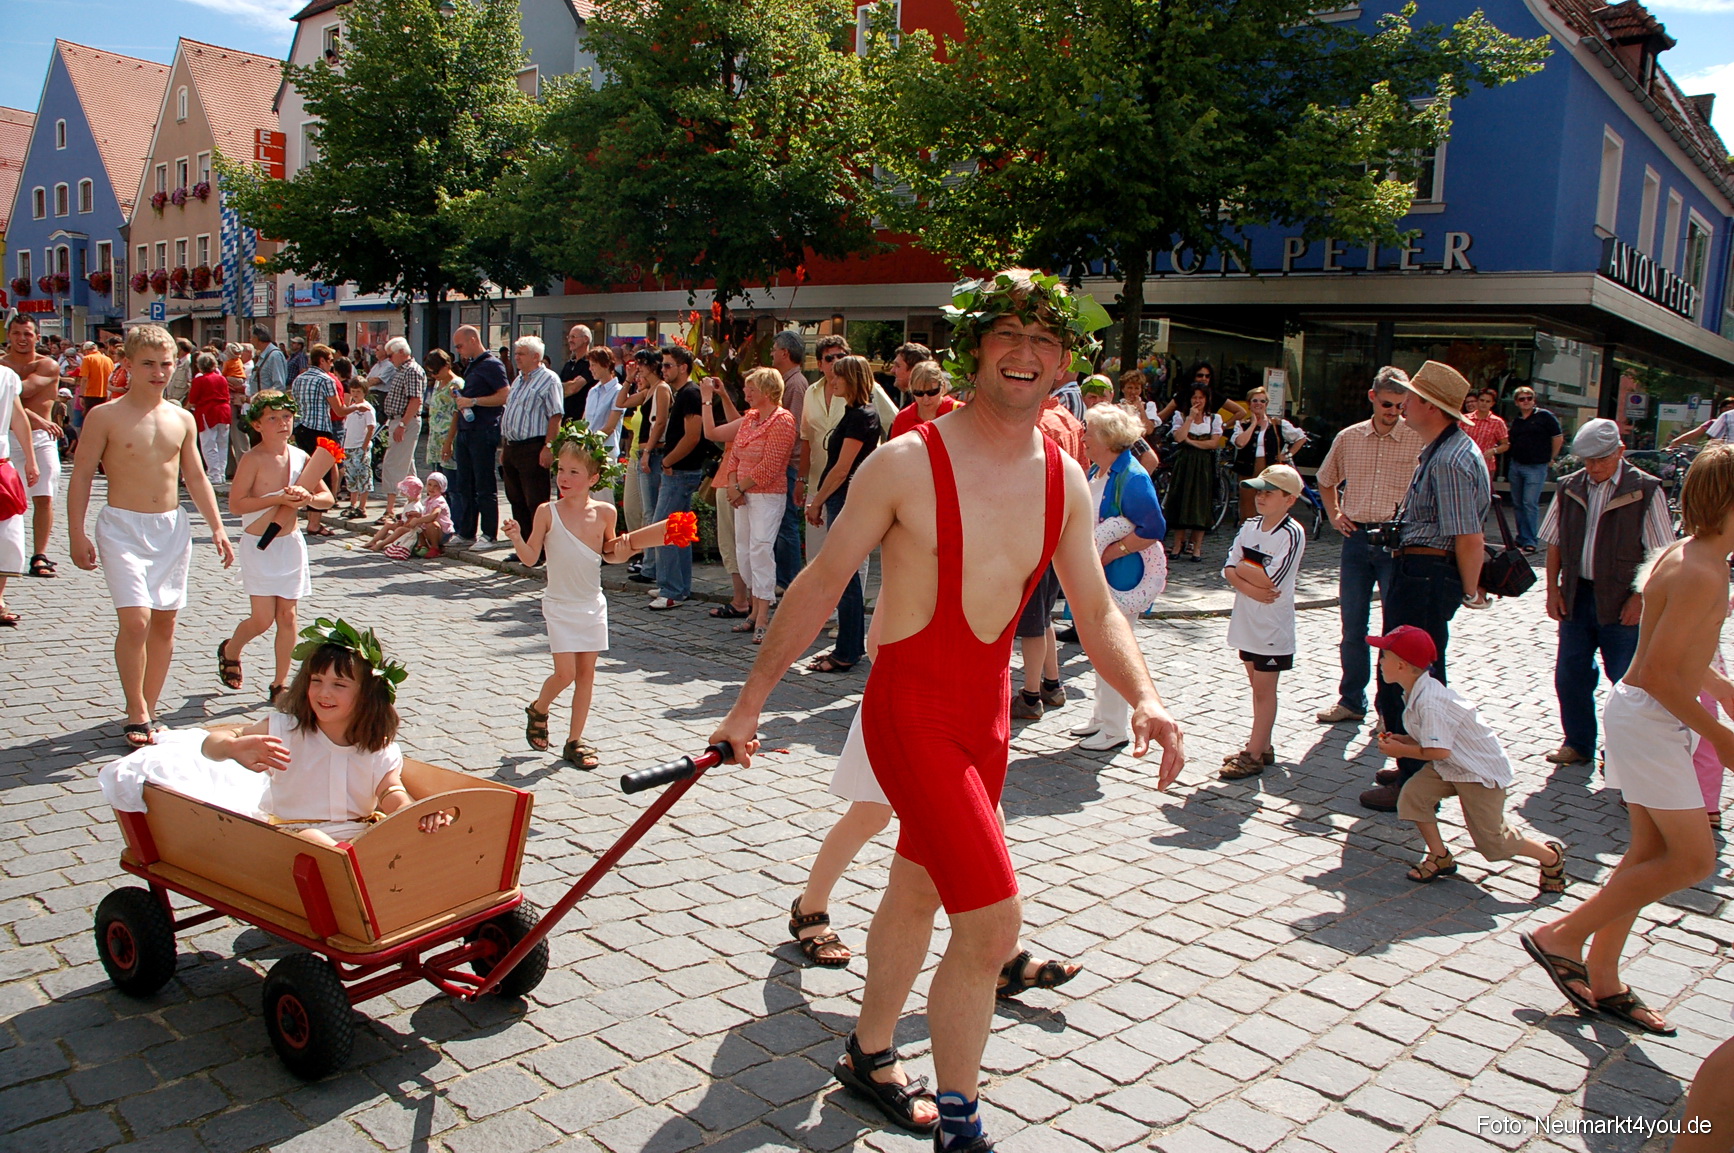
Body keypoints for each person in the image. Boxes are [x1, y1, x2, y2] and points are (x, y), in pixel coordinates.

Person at [709, 269, 1185, 1150]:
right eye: (1008, 334)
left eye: (1045, 342)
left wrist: (1145, 697)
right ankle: (961, 1117)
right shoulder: (906, 462)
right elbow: (820, 584)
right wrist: (747, 707)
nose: (1026, 354)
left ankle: (869, 1049)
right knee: (994, 917)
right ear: (976, 349)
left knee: (919, 883)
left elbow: (1096, 605)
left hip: (989, 715)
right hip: (911, 708)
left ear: (1063, 364)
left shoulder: (1066, 481)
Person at [1520, 445, 1734, 1039]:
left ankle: (1606, 978)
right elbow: (1662, 673)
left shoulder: (1690, 555)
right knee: (1694, 858)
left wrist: (1722, 689)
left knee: (1646, 856)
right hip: (1653, 720)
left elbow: (1668, 650)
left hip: (1647, 716)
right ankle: (1560, 936)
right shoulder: (1701, 569)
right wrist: (1723, 734)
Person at [66, 326, 236, 747]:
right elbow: (82, 475)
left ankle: (149, 704)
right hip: (122, 527)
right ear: (127, 365)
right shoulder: (104, 415)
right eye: (148, 364)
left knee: (164, 623)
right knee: (136, 619)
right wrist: (75, 533)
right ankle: (136, 709)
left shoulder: (181, 418)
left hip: (169, 528)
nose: (159, 372)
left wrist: (217, 526)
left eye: (165, 364)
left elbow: (194, 475)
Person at [1358, 361, 1490, 812]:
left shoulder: (1452, 458)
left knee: (1411, 674)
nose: (1403, 405)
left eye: (1410, 398)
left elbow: (1468, 535)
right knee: (1400, 669)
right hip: (1419, 571)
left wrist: (1471, 591)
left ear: (1431, 407)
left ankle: (1418, 781)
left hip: (1428, 574)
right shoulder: (1442, 449)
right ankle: (1410, 766)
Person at [202, 620, 451, 846]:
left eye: (339, 685)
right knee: (314, 839)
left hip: (359, 838)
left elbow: (391, 790)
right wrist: (231, 748)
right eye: (316, 681)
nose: (324, 694)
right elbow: (211, 744)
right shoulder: (284, 729)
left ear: (366, 694)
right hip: (293, 838)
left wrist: (413, 812)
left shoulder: (376, 746)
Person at [1370, 625, 1568, 891]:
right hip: (1451, 765)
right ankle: (1440, 857)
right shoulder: (1417, 691)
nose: (1380, 662)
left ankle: (1550, 856)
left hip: (1478, 772)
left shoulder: (1429, 700)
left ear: (1403, 666)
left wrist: (1401, 750)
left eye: (1385, 656)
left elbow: (1438, 750)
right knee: (1413, 796)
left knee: (1494, 843)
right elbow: (1434, 742)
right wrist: (1405, 741)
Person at [1537, 418, 1673, 768]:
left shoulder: (1645, 489)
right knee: (1571, 673)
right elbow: (1553, 543)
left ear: (1620, 452)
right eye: (1587, 460)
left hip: (1621, 596)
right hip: (1578, 593)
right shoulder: (1570, 487)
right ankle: (1578, 742)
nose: (1593, 468)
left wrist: (1640, 598)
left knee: (1626, 681)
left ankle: (1622, 750)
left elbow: (1661, 555)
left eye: (1601, 460)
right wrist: (1553, 589)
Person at [504, 428, 628, 768]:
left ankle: (574, 741)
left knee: (586, 674)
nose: (564, 478)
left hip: (591, 603)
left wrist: (627, 548)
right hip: (559, 604)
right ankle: (539, 708)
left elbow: (610, 554)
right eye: (561, 470)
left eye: (574, 472)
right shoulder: (547, 511)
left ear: (593, 477)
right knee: (565, 673)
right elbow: (531, 557)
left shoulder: (605, 513)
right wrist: (516, 537)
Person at [1313, 368, 1425, 725]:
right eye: (1389, 404)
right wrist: (1334, 514)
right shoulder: (1350, 437)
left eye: (1401, 405)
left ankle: (1391, 708)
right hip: (1358, 539)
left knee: (1395, 629)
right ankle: (1351, 699)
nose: (1394, 412)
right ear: (1373, 397)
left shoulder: (1417, 438)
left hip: (1398, 541)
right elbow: (1325, 479)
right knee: (1353, 627)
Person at [219, 391, 333, 705]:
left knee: (288, 616)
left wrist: (308, 499)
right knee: (262, 619)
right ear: (257, 424)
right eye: (272, 418)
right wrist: (277, 499)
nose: (282, 424)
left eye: (286, 417)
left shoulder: (300, 456)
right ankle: (231, 649)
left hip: (290, 545)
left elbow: (327, 498)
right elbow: (236, 504)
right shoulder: (252, 459)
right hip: (259, 545)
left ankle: (280, 684)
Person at [1069, 403, 1167, 752]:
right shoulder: (1102, 469)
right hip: (1100, 574)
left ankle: (1114, 729)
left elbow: (1153, 528)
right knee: (1097, 650)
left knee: (1112, 648)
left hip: (1123, 578)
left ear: (1108, 439)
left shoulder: (1133, 477)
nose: (1084, 439)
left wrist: (1112, 552)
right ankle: (1100, 719)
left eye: (1090, 433)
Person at [1219, 464, 1307, 779]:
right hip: (1247, 619)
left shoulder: (1291, 532)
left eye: (1270, 492)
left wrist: (1244, 571)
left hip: (1272, 625)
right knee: (1255, 684)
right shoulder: (1250, 526)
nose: (1261, 497)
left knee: (1264, 690)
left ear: (1289, 499)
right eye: (1260, 491)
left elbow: (1273, 580)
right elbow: (1229, 566)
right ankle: (1263, 744)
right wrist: (1244, 580)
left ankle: (1254, 753)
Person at [1011, 377, 1089, 720]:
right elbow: (1082, 471)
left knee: (1032, 618)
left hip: (1036, 530)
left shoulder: (1037, 424)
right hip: (1060, 529)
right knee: (1042, 614)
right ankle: (1052, 684)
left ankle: (1030, 696)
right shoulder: (1070, 420)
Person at [704, 367, 797, 643]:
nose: (746, 393)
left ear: (767, 391)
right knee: (743, 551)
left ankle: (764, 616)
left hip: (766, 495)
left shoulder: (783, 420)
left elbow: (770, 466)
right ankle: (754, 612)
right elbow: (734, 455)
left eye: (751, 388)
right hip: (742, 494)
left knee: (759, 549)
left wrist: (739, 487)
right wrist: (734, 486)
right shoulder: (751, 418)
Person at [803, 355, 882, 672]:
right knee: (843, 576)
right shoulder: (854, 413)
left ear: (851, 379)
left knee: (846, 577)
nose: (831, 382)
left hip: (845, 498)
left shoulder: (861, 416)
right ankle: (847, 647)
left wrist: (817, 500)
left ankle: (847, 652)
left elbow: (841, 470)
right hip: (842, 498)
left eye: (837, 377)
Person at [647, 346, 710, 610]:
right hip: (680, 470)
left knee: (665, 530)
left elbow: (693, 435)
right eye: (663, 366)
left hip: (681, 471)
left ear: (683, 367)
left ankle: (672, 589)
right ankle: (676, 586)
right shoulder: (683, 393)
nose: (664, 370)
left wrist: (668, 460)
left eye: (669, 365)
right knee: (679, 532)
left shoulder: (690, 393)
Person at [3, 316, 64, 578]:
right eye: (17, 333)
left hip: (40, 439)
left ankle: (39, 555)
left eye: (27, 333)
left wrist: (33, 417)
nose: (22, 338)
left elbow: (22, 391)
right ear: (9, 336)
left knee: (44, 497)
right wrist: (33, 414)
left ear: (37, 337)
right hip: (6, 439)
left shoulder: (47, 365)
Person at [450, 325, 511, 547]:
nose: (458, 351)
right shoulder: (472, 366)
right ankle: (466, 531)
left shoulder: (492, 364)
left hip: (483, 429)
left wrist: (473, 401)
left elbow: (504, 394)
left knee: (484, 483)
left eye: (460, 345)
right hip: (467, 429)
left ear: (473, 340)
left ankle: (489, 533)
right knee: (464, 483)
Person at [500, 336, 565, 542]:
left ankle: (541, 547)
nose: (516, 357)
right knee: (516, 499)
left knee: (535, 501)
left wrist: (549, 447)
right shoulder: (518, 379)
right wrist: (504, 448)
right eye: (516, 353)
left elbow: (555, 415)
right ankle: (524, 546)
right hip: (512, 447)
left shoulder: (549, 379)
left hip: (533, 447)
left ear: (536, 356)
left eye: (521, 354)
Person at [288, 344, 343, 538]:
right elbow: (338, 410)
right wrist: (356, 408)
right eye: (330, 361)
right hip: (320, 430)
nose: (331, 364)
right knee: (323, 475)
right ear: (322, 360)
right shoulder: (325, 380)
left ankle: (299, 514)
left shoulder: (299, 379)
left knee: (306, 473)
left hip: (302, 428)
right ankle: (314, 523)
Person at [1163, 383, 1223, 561]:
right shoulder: (1180, 416)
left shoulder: (1214, 419)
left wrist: (1192, 442)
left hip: (1204, 465)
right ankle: (1177, 545)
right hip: (1185, 463)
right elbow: (1179, 437)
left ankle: (1196, 547)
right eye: (1194, 397)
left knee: (1200, 504)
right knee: (1181, 501)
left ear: (1206, 400)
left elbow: (1213, 444)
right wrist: (1190, 419)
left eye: (1201, 398)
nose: (1198, 401)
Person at [0, 365, 41, 627]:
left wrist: (30, 459)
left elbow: (18, 418)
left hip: (1, 462)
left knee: (5, 537)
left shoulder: (6, 376)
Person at [770, 330, 810, 592]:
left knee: (786, 523)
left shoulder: (794, 384)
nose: (771, 353)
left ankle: (789, 580)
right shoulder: (789, 382)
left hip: (789, 463)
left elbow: (793, 430)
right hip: (785, 463)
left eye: (774, 349)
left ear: (785, 353)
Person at [1228, 387, 1306, 522]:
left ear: (1266, 404)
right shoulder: (1242, 425)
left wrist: (1287, 455)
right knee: (1248, 507)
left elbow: (1301, 437)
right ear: (1249, 403)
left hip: (1270, 470)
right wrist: (1253, 424)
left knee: (1270, 504)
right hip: (1248, 469)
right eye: (1255, 401)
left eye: (1262, 401)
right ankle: (1247, 536)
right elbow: (1240, 443)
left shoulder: (1278, 424)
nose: (1259, 404)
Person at [1505, 384, 1562, 551]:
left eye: (1529, 398)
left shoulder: (1545, 416)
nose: (1526, 401)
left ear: (1534, 400)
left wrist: (1551, 457)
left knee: (1529, 503)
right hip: (1516, 465)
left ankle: (1530, 540)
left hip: (1536, 467)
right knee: (1517, 503)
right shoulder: (1517, 421)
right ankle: (1521, 537)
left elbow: (1557, 438)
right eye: (1522, 399)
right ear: (1516, 402)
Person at [374, 339, 424, 520]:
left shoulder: (411, 370)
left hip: (405, 421)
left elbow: (415, 399)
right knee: (406, 465)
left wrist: (402, 424)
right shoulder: (402, 370)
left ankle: (389, 510)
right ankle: (413, 505)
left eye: (391, 355)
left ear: (401, 352)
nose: (389, 359)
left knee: (392, 464)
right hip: (398, 420)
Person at [581, 346, 626, 506]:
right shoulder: (593, 391)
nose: (590, 369)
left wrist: (590, 443)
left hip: (604, 453)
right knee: (586, 501)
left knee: (602, 501)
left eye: (594, 365)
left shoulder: (618, 391)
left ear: (606, 365)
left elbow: (610, 426)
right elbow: (585, 421)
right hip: (586, 452)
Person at [374, 473, 452, 559]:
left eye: (435, 486)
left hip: (442, 533)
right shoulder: (429, 499)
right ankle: (423, 546)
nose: (431, 488)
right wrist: (418, 515)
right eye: (429, 485)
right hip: (430, 532)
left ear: (441, 488)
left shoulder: (439, 501)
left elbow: (433, 516)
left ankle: (435, 548)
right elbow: (426, 514)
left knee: (430, 523)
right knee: (419, 528)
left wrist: (417, 520)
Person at [185, 352, 232, 491]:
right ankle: (221, 474)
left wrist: (184, 408)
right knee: (222, 443)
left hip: (208, 411)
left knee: (208, 443)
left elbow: (193, 400)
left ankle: (214, 474)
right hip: (223, 410)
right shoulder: (222, 378)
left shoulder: (199, 380)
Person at [339, 379, 379, 520]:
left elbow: (371, 427)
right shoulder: (351, 407)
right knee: (351, 476)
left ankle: (362, 506)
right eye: (353, 391)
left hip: (360, 447)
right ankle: (352, 503)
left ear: (364, 392)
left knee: (363, 476)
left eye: (358, 392)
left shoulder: (366, 408)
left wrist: (364, 446)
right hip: (349, 446)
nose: (355, 394)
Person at [888, 361, 959, 439]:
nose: (926, 399)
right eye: (919, 393)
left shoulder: (959, 411)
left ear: (943, 386)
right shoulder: (902, 419)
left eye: (932, 392)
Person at [422, 349, 462, 481]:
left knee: (451, 485)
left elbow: (457, 413)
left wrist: (449, 441)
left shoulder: (456, 384)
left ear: (446, 366)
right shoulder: (438, 383)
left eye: (435, 371)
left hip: (448, 438)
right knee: (437, 484)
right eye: (430, 372)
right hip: (436, 440)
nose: (433, 375)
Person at [1464, 387, 1509, 476]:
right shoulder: (1465, 419)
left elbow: (1505, 445)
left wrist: (1494, 450)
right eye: (1482, 400)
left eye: (1488, 401)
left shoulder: (1497, 422)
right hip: (1465, 463)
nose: (1484, 403)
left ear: (1492, 404)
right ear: (1477, 401)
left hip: (1486, 465)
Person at [559, 324, 597, 420]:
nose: (569, 340)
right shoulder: (568, 364)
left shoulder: (591, 364)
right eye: (569, 337)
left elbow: (573, 388)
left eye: (573, 337)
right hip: (565, 419)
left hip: (582, 420)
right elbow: (558, 388)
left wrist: (560, 388)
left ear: (586, 339)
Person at [1666, 396, 1734, 449]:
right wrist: (1675, 442)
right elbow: (1695, 433)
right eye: (1726, 407)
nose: (1728, 409)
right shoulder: (1713, 422)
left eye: (1731, 407)